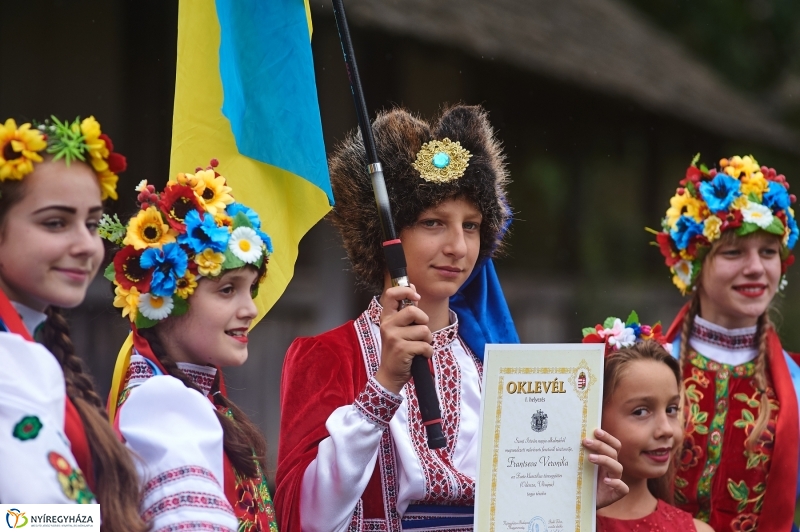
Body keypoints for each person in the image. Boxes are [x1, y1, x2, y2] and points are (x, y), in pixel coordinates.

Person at [275, 105, 628, 532]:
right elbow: (304, 519)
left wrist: (573, 498)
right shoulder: (328, 357)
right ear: (385, 236)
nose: (458, 246)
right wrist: (384, 386)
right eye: (433, 222)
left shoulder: (493, 367)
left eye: (473, 226)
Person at [103, 161, 278, 531]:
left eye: (251, 290)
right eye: (227, 290)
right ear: (166, 299)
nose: (250, 309)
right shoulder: (164, 402)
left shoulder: (187, 398)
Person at [0, 117, 146, 529]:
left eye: (93, 223)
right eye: (55, 222)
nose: (86, 245)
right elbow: (28, 518)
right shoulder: (11, 357)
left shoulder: (29, 347)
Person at [652, 155, 800, 531]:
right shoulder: (648, 365)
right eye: (733, 252)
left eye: (768, 252)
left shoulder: (796, 382)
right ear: (694, 268)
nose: (755, 268)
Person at [582, 312, 713, 532]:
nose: (666, 430)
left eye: (672, 409)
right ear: (593, 416)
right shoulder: (549, 523)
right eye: (641, 411)